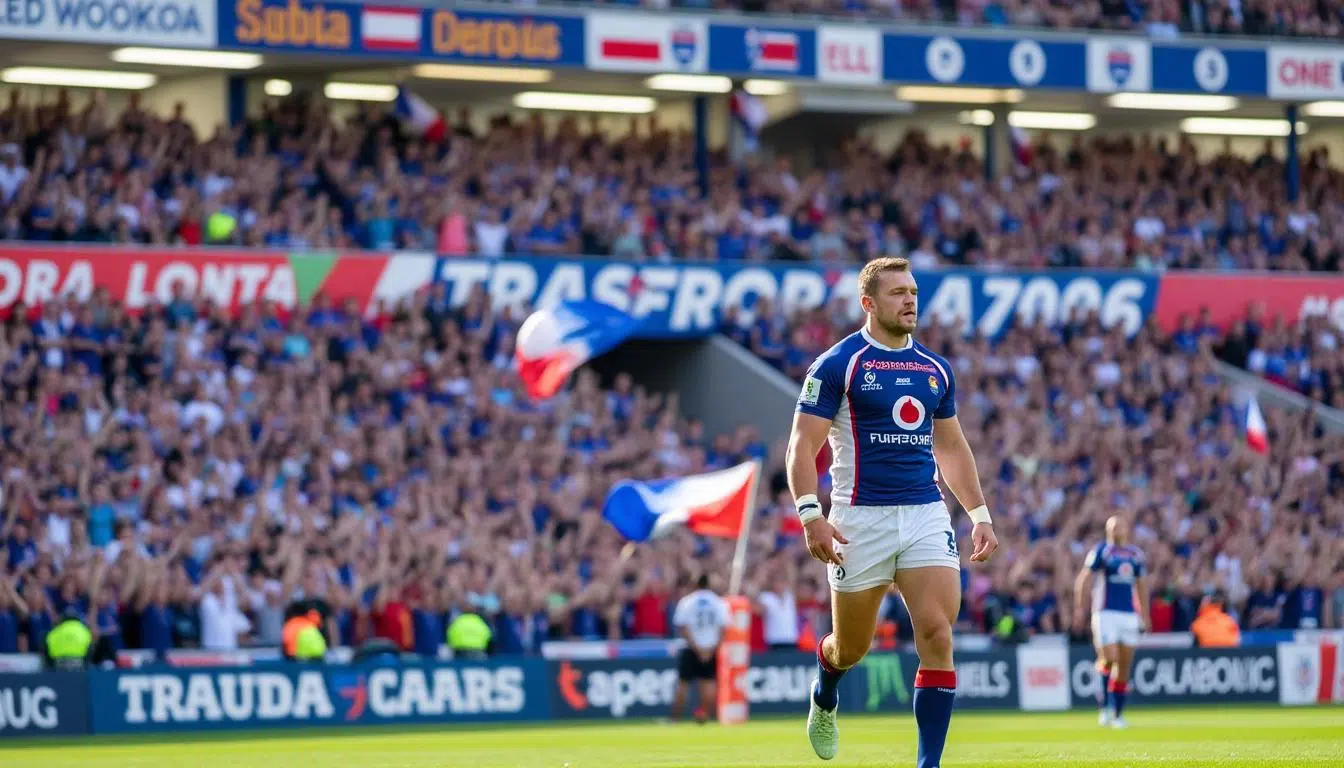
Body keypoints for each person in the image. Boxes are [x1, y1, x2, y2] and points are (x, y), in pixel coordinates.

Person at [786, 256, 998, 764]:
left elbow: (951, 446)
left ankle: (929, 763)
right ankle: (826, 688)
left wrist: (979, 513)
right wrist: (811, 514)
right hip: (858, 521)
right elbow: (800, 445)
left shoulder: (934, 368)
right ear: (868, 303)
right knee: (851, 648)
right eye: (898, 292)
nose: (909, 301)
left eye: (913, 292)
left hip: (925, 513)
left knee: (936, 632)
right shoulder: (839, 364)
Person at [1074, 515, 1149, 730]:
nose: (1118, 530)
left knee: (1124, 667)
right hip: (1105, 613)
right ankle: (1104, 707)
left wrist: (1145, 614)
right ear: (1108, 530)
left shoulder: (1135, 554)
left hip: (1128, 615)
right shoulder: (1102, 551)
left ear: (1127, 529)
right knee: (1109, 658)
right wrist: (1080, 609)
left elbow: (1142, 585)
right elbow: (1084, 579)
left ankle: (1117, 714)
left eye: (1121, 525)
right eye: (1114, 526)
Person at [670, 574, 730, 724]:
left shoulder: (687, 601)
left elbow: (682, 626)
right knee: (708, 684)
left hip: (691, 648)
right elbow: (724, 629)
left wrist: (697, 648)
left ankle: (675, 719)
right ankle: (702, 715)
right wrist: (711, 649)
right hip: (710, 648)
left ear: (695, 585)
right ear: (709, 585)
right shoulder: (719, 602)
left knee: (683, 684)